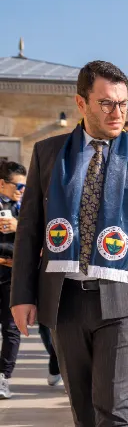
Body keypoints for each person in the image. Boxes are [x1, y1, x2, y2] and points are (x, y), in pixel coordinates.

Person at [10, 60, 128, 426]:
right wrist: (21, 295)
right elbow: (29, 231)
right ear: (81, 103)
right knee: (84, 411)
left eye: (123, 103)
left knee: (116, 408)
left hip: (126, 297)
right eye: (106, 103)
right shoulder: (48, 153)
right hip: (65, 299)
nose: (117, 112)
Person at [0, 160, 27, 399]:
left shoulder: (26, 208)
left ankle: (3, 377)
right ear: (2, 184)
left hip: (13, 274)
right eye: (17, 186)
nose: (21, 190)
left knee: (11, 329)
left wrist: (20, 226)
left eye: (24, 186)